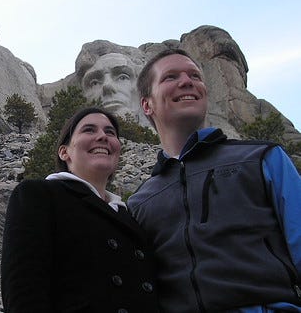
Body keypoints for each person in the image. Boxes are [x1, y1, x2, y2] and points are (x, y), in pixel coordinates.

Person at [127, 49, 301, 312]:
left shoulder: (262, 158)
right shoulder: (141, 201)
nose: (187, 81)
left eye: (195, 76)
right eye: (170, 77)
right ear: (147, 104)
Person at [1, 107, 159, 313]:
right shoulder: (38, 195)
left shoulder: (130, 215)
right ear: (64, 151)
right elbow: (23, 295)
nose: (103, 136)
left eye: (110, 132)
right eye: (89, 130)